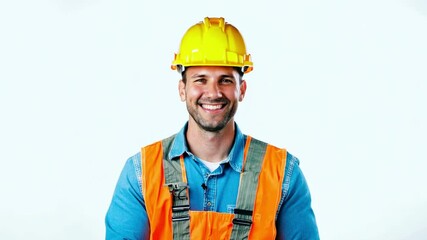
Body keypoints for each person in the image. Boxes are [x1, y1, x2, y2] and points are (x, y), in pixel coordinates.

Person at [105, 17, 319, 239]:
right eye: (200, 80)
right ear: (182, 89)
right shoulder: (142, 173)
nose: (213, 92)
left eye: (225, 80)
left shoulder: (282, 174)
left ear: (241, 89)